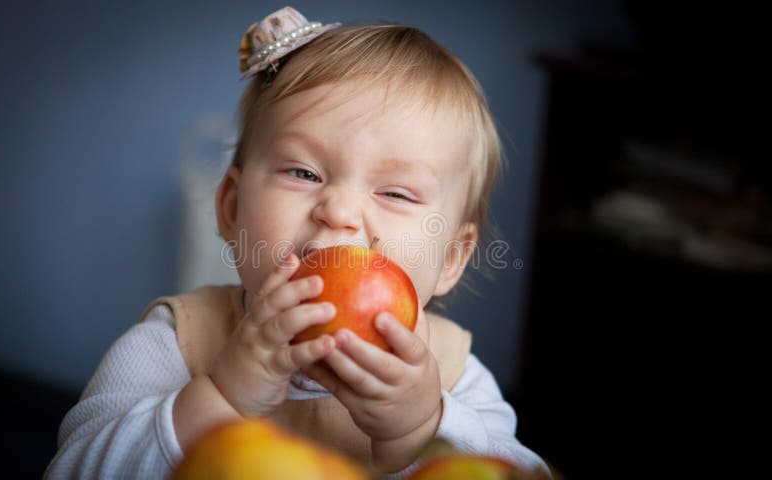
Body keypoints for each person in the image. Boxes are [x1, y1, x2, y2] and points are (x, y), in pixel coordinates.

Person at [45, 6, 550, 479]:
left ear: (452, 257)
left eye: (395, 192)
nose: (339, 211)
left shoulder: (455, 377)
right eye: (304, 172)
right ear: (230, 208)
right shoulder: (176, 343)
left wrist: (420, 432)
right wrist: (222, 397)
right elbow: (72, 468)